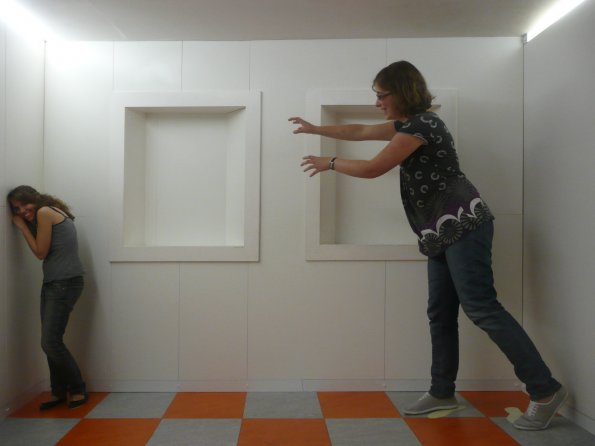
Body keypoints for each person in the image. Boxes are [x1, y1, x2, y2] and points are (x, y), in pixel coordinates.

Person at [289, 60, 566, 430]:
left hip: (463, 224)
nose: (377, 103)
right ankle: (442, 391)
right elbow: (359, 130)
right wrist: (315, 128)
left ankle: (545, 390)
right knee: (440, 312)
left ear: (402, 92)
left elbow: (373, 168)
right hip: (437, 233)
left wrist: (332, 162)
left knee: (482, 308)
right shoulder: (408, 125)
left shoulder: (424, 125)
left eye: (381, 95)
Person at [7, 185, 88, 410]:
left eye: (25, 205)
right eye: (16, 208)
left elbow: (40, 252)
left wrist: (22, 227)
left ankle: (77, 388)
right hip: (56, 283)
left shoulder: (44, 212)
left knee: (50, 342)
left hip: (64, 283)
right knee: (51, 340)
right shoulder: (52, 210)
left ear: (35, 198)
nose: (22, 211)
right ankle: (59, 391)